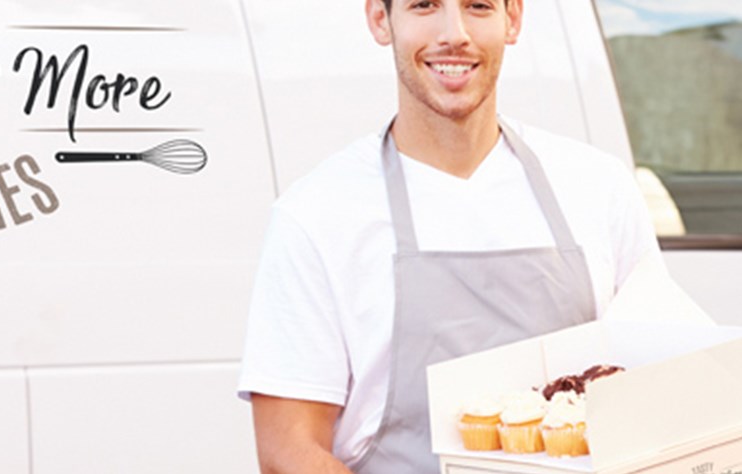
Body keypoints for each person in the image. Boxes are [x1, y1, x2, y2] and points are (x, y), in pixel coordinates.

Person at [236, 0, 664, 472]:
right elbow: (287, 450)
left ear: (513, 18)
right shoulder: (317, 216)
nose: (454, 33)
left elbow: (658, 386)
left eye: (477, 6)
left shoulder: (599, 188)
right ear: (381, 19)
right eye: (425, 6)